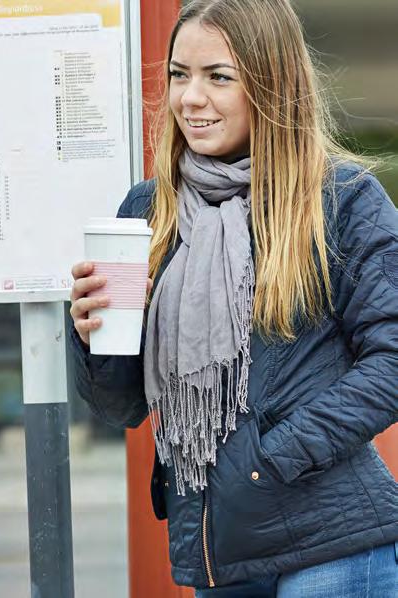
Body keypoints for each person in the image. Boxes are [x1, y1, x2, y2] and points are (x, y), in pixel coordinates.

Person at [68, 0, 398, 595]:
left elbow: (393, 359)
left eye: (218, 77)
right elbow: (122, 409)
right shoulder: (148, 211)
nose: (190, 98)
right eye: (179, 75)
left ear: (271, 84)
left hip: (333, 549)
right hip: (215, 552)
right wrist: (92, 334)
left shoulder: (342, 201)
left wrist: (271, 459)